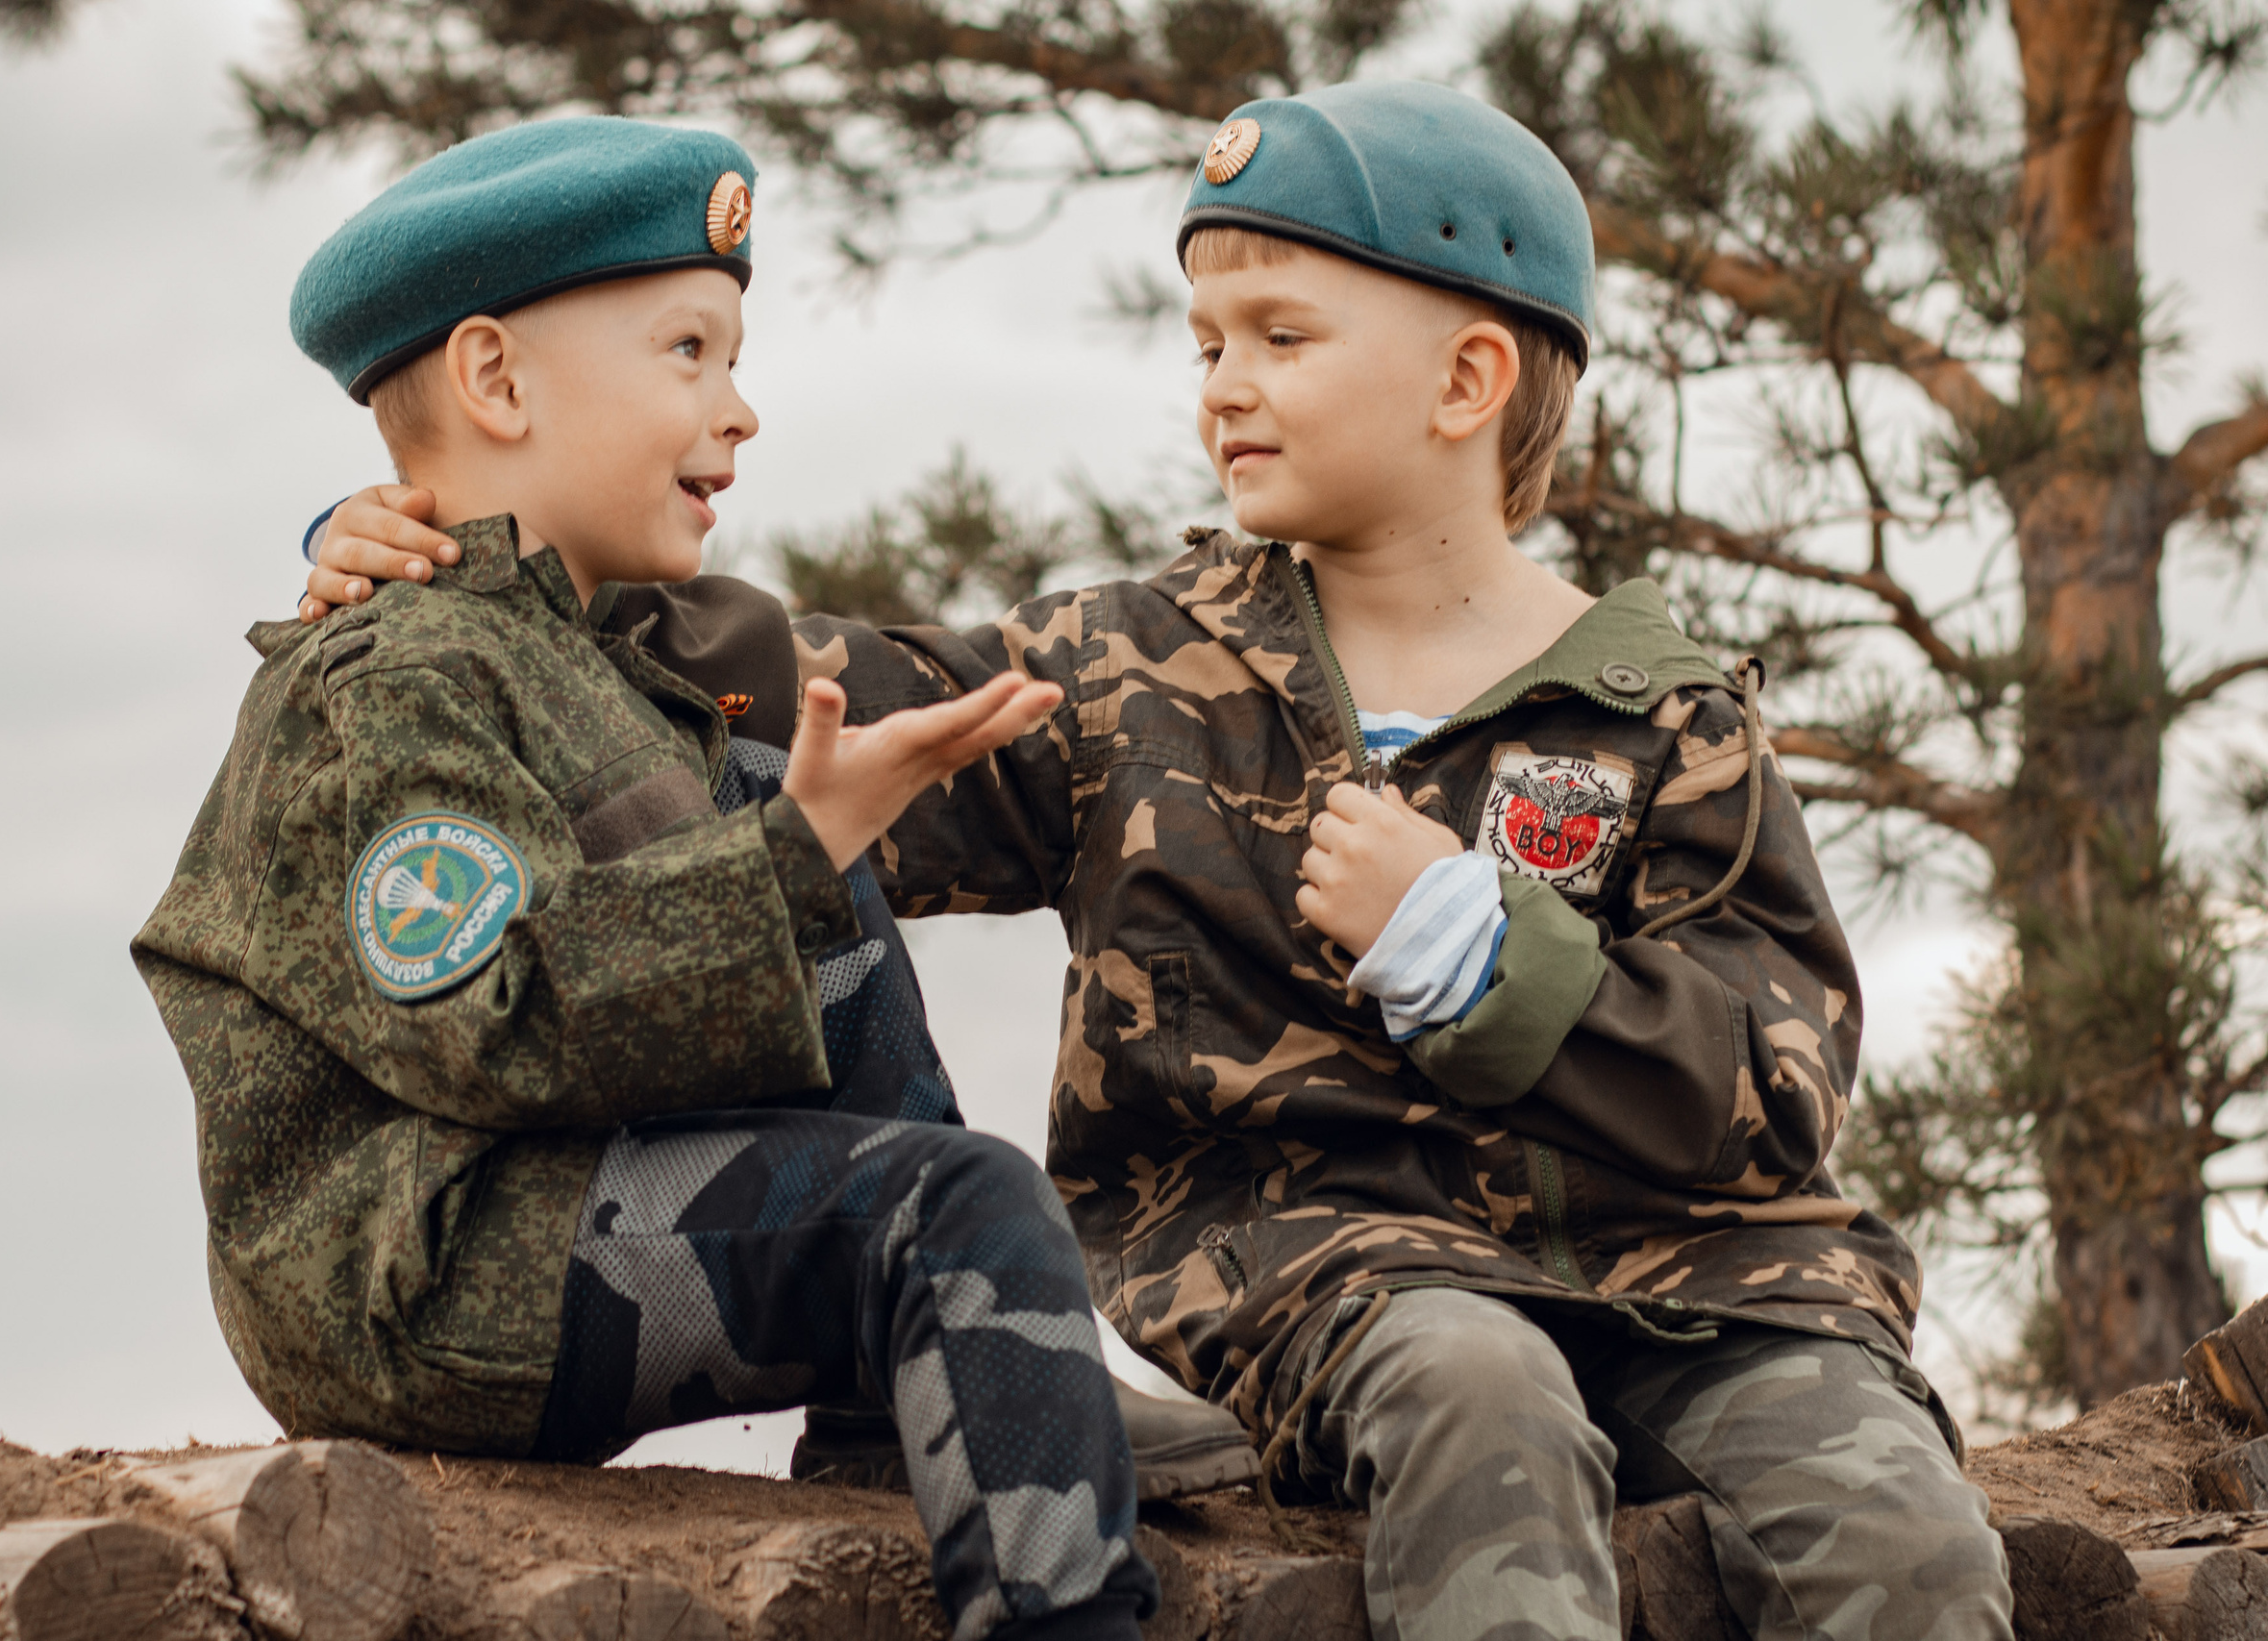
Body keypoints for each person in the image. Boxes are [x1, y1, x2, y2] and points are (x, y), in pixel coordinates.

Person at [295, 86, 2014, 1641]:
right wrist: (461, 552)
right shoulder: (1137, 674)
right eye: (1205, 342)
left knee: (1902, 1535)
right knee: (1485, 1417)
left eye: (1279, 333)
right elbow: (781, 702)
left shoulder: (1674, 715)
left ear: (1469, 381)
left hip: (1728, 1292)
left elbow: (1781, 1090)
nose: (1223, 385)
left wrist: (1499, 962)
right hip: (1352, 1278)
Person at [130, 115, 1168, 1641]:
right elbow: (485, 1013)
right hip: (419, 1268)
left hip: (530, 1202)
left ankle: (924, 1389)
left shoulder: (580, 657)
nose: (739, 409)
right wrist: (790, 860)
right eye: (689, 350)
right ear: (494, 380)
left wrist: (799, 848)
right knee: (962, 1204)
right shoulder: (397, 674)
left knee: (771, 801)